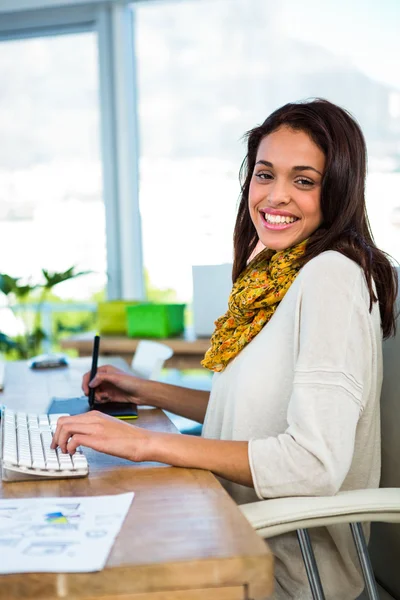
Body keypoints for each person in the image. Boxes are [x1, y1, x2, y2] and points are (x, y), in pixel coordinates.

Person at [52, 99, 398, 599]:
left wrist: (145, 444)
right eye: (264, 175)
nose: (276, 197)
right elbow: (254, 418)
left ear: (338, 187)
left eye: (304, 180)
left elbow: (313, 464)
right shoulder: (276, 275)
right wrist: (142, 390)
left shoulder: (331, 278)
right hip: (231, 526)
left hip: (284, 567)